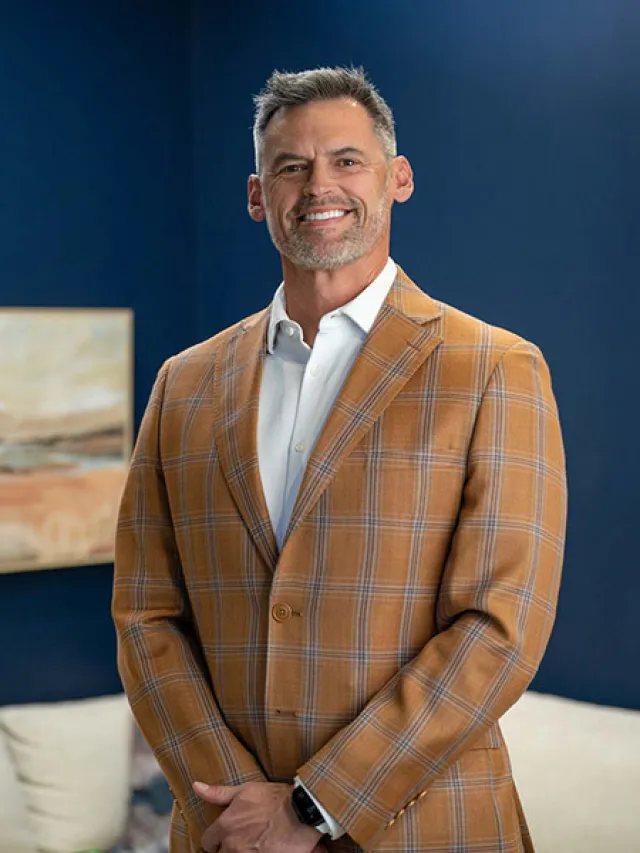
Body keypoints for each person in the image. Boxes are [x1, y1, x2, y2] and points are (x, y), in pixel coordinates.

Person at [113, 66, 567, 853]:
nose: (319, 185)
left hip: (427, 829)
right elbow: (145, 615)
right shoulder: (182, 384)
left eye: (347, 160)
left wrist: (310, 806)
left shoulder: (494, 368)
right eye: (291, 166)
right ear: (257, 195)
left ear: (398, 179)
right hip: (228, 833)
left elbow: (500, 629)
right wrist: (234, 803)